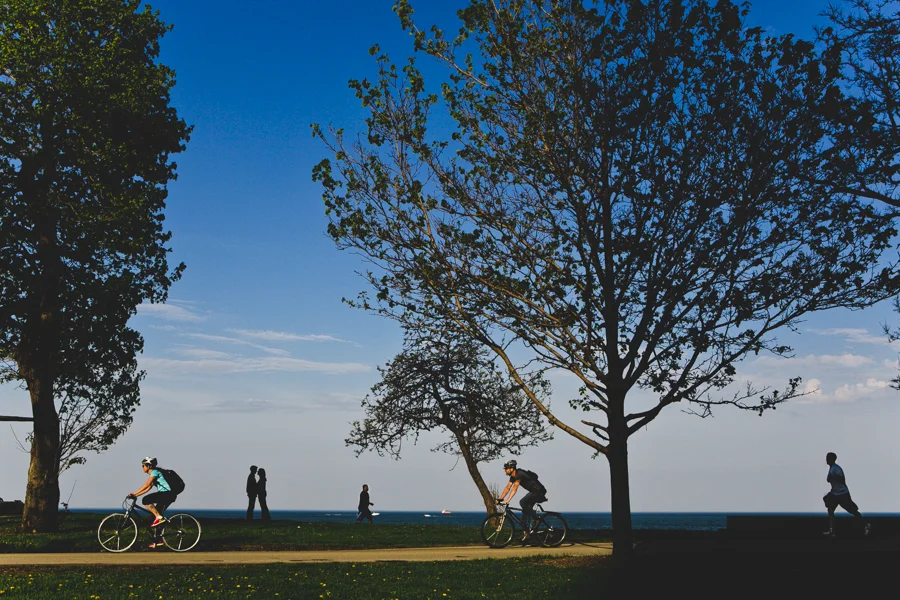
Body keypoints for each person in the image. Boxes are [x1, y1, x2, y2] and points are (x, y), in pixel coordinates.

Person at [128, 457, 177, 548]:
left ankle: (159, 517)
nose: (142, 467)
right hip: (166, 495)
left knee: (146, 500)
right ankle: (158, 540)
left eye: (143, 465)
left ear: (148, 466)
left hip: (167, 494)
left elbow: (147, 484)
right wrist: (136, 495)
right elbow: (149, 487)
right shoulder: (155, 473)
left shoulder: (155, 472)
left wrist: (134, 493)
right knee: (154, 517)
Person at [823, 452, 871, 538]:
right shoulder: (831, 468)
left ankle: (866, 524)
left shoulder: (836, 468)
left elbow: (842, 479)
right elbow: (829, 480)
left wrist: (832, 478)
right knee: (830, 511)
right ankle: (832, 531)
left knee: (853, 511)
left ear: (832, 459)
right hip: (834, 493)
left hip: (842, 494)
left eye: (828, 458)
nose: (826, 459)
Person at [497, 459, 547, 541]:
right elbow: (508, 487)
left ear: (512, 468)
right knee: (525, 511)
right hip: (533, 492)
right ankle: (527, 534)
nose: (504, 470)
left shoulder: (519, 474)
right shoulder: (513, 476)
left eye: (506, 468)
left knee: (522, 502)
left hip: (539, 491)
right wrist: (500, 499)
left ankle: (537, 518)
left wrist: (507, 500)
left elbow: (515, 488)